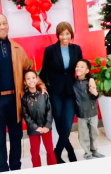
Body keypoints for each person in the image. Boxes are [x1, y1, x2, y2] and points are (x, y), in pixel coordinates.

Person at [0, 13, 45, 172]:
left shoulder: (17, 48)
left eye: (5, 23)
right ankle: (2, 169)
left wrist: (40, 85)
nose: (2, 26)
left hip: (15, 100)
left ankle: (16, 168)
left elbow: (28, 71)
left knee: (16, 138)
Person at [39, 22, 83, 163]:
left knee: (68, 122)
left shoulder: (76, 49)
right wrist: (40, 85)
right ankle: (69, 149)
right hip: (55, 92)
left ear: (71, 34)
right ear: (57, 35)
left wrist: (91, 79)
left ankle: (57, 152)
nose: (65, 36)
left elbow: (82, 68)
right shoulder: (50, 50)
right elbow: (44, 70)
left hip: (71, 90)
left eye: (67, 33)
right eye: (62, 33)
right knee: (59, 122)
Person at [21, 70, 56, 167]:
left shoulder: (44, 94)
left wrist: (47, 126)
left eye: (33, 77)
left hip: (46, 128)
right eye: (28, 79)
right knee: (35, 152)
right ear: (24, 82)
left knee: (50, 150)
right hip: (33, 130)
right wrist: (36, 127)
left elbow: (49, 110)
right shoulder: (24, 98)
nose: (31, 80)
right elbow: (26, 115)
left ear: (37, 79)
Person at [74, 59, 104, 160]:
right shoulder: (73, 83)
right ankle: (87, 153)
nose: (78, 68)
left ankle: (94, 150)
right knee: (83, 135)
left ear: (87, 70)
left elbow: (97, 95)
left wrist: (95, 93)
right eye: (77, 66)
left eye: (82, 67)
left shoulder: (91, 81)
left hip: (92, 112)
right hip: (81, 114)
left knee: (94, 133)